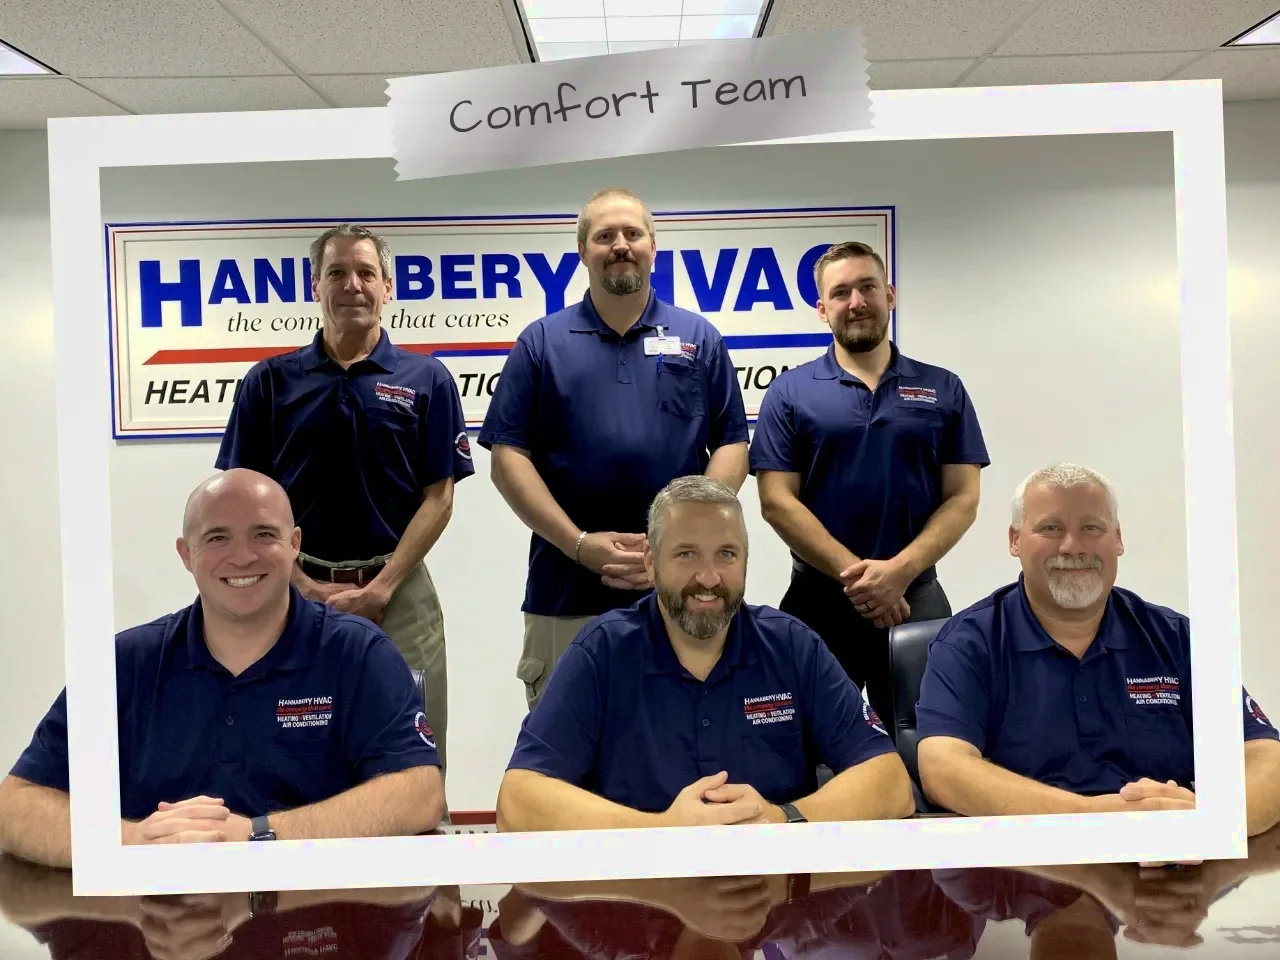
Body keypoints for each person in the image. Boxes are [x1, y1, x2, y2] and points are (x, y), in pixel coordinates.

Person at [0, 470, 444, 869]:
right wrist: (134, 841)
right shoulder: (124, 663)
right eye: (217, 538)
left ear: (294, 545)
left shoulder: (359, 652)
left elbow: (420, 793)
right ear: (185, 553)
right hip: (159, 918)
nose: (243, 557)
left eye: (264, 534)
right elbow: (14, 808)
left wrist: (256, 834)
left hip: (319, 912)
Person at [494, 476, 916, 831]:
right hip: (642, 891)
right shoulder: (601, 651)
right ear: (651, 561)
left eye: (726, 554)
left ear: (746, 560)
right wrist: (663, 830)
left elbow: (890, 783)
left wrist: (780, 817)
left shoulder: (792, 646)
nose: (709, 578)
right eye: (686, 554)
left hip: (771, 892)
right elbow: (518, 801)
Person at [215, 223, 472, 778]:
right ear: (315, 286)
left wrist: (382, 587)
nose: (352, 284)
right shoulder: (269, 383)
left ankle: (420, 837)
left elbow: (440, 498)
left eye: (365, 273)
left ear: (387, 287)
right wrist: (300, 585)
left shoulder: (427, 379)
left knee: (414, 744)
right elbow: (243, 504)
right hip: (292, 590)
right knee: (292, 740)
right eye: (336, 272)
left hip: (400, 592)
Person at [478, 187, 750, 710]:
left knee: (687, 734)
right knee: (566, 740)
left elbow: (732, 443)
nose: (620, 245)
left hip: (684, 588)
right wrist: (579, 544)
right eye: (604, 236)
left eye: (632, 233)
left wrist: (677, 539)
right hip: (567, 590)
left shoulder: (699, 338)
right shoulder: (541, 343)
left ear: (653, 247)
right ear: (583, 251)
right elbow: (508, 459)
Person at [915, 463, 1280, 836]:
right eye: (1050, 528)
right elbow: (942, 769)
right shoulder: (968, 644)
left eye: (1091, 528)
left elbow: (1265, 755)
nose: (1072, 547)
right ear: (1015, 540)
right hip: (1033, 858)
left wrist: (1207, 821)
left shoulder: (1177, 638)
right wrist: (1095, 819)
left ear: (1117, 539)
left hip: (1175, 853)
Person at [750, 240, 988, 728]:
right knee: (803, 741)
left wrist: (900, 571)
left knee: (931, 738)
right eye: (840, 293)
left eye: (867, 287)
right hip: (819, 598)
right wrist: (861, 579)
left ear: (890, 295)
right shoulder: (790, 392)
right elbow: (775, 500)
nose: (856, 302)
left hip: (915, 596)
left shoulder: (943, 388)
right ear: (822, 309)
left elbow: (963, 497)